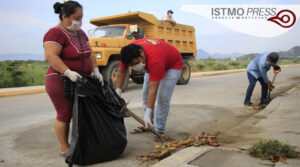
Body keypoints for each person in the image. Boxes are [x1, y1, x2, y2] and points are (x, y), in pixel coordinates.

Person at [43, 1, 103, 157]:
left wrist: (96, 70)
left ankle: (82, 142)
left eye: (81, 18)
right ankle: (65, 147)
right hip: (60, 80)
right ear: (64, 16)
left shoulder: (81, 33)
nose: (80, 22)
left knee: (84, 111)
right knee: (65, 113)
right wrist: (68, 72)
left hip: (82, 80)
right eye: (77, 18)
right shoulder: (54, 33)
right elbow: (51, 56)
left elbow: (89, 53)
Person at [115, 38, 182, 142]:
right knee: (145, 95)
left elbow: (153, 89)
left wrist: (147, 112)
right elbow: (121, 72)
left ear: (141, 53)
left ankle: (160, 129)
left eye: (135, 63)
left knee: (162, 98)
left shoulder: (155, 59)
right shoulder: (128, 53)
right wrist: (117, 92)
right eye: (131, 65)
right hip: (153, 62)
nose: (134, 67)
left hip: (172, 65)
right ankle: (148, 124)